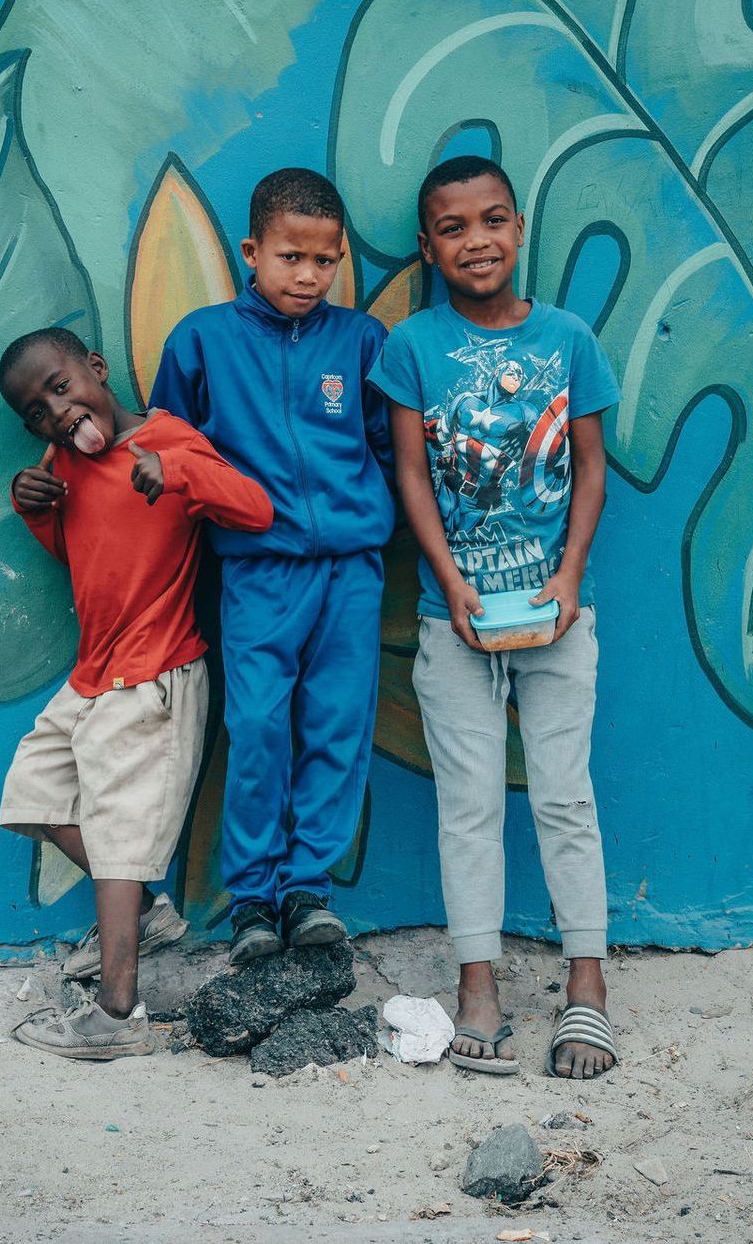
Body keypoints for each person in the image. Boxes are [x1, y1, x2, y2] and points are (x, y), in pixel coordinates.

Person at [370, 156, 620, 1080]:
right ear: (428, 247)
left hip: (557, 617)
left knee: (564, 795)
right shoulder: (411, 348)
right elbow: (409, 472)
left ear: (518, 230)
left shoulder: (567, 338)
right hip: (453, 619)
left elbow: (590, 467)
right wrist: (450, 582)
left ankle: (584, 986)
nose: (474, 240)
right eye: (451, 227)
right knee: (466, 806)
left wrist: (566, 577)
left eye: (492, 220)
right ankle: (478, 984)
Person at [0, 327, 272, 1058]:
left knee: (118, 838)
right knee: (32, 792)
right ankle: (144, 910)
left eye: (60, 388)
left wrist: (178, 475)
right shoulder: (61, 464)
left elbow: (254, 507)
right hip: (93, 673)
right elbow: (82, 552)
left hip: (154, 675)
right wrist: (35, 508)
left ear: (96, 369)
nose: (55, 413)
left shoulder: (167, 439)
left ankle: (116, 1014)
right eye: (34, 411)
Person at [150, 168, 394, 964]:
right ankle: (251, 895)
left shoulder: (360, 341)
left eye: (325, 261)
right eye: (291, 256)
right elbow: (169, 448)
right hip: (257, 572)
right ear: (252, 251)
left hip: (350, 570)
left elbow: (390, 447)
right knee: (255, 724)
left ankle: (306, 888)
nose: (308, 276)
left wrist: (366, 516)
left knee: (336, 723)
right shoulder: (201, 340)